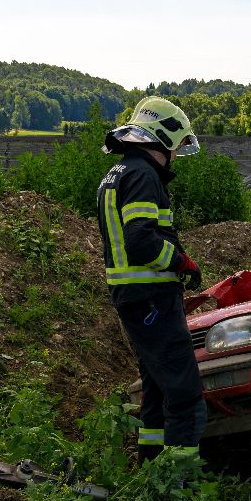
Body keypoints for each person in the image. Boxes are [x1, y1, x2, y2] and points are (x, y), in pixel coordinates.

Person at [97, 96, 207, 464]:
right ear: (164, 137)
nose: (175, 154)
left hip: (135, 298)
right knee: (185, 394)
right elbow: (142, 241)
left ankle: (151, 470)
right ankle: (179, 484)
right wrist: (181, 263)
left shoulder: (118, 173)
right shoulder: (143, 175)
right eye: (176, 145)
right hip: (151, 299)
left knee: (157, 390)